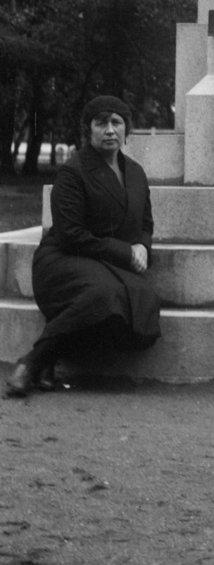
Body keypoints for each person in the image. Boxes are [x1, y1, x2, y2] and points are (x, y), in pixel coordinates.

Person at [5, 96, 161, 397]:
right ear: (88, 130)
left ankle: (51, 359)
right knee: (103, 296)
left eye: (117, 122)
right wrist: (125, 252)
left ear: (126, 130)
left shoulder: (137, 173)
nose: (110, 130)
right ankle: (32, 362)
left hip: (108, 266)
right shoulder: (73, 172)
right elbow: (71, 235)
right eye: (101, 123)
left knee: (143, 303)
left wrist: (142, 245)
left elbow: (146, 223)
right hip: (62, 260)